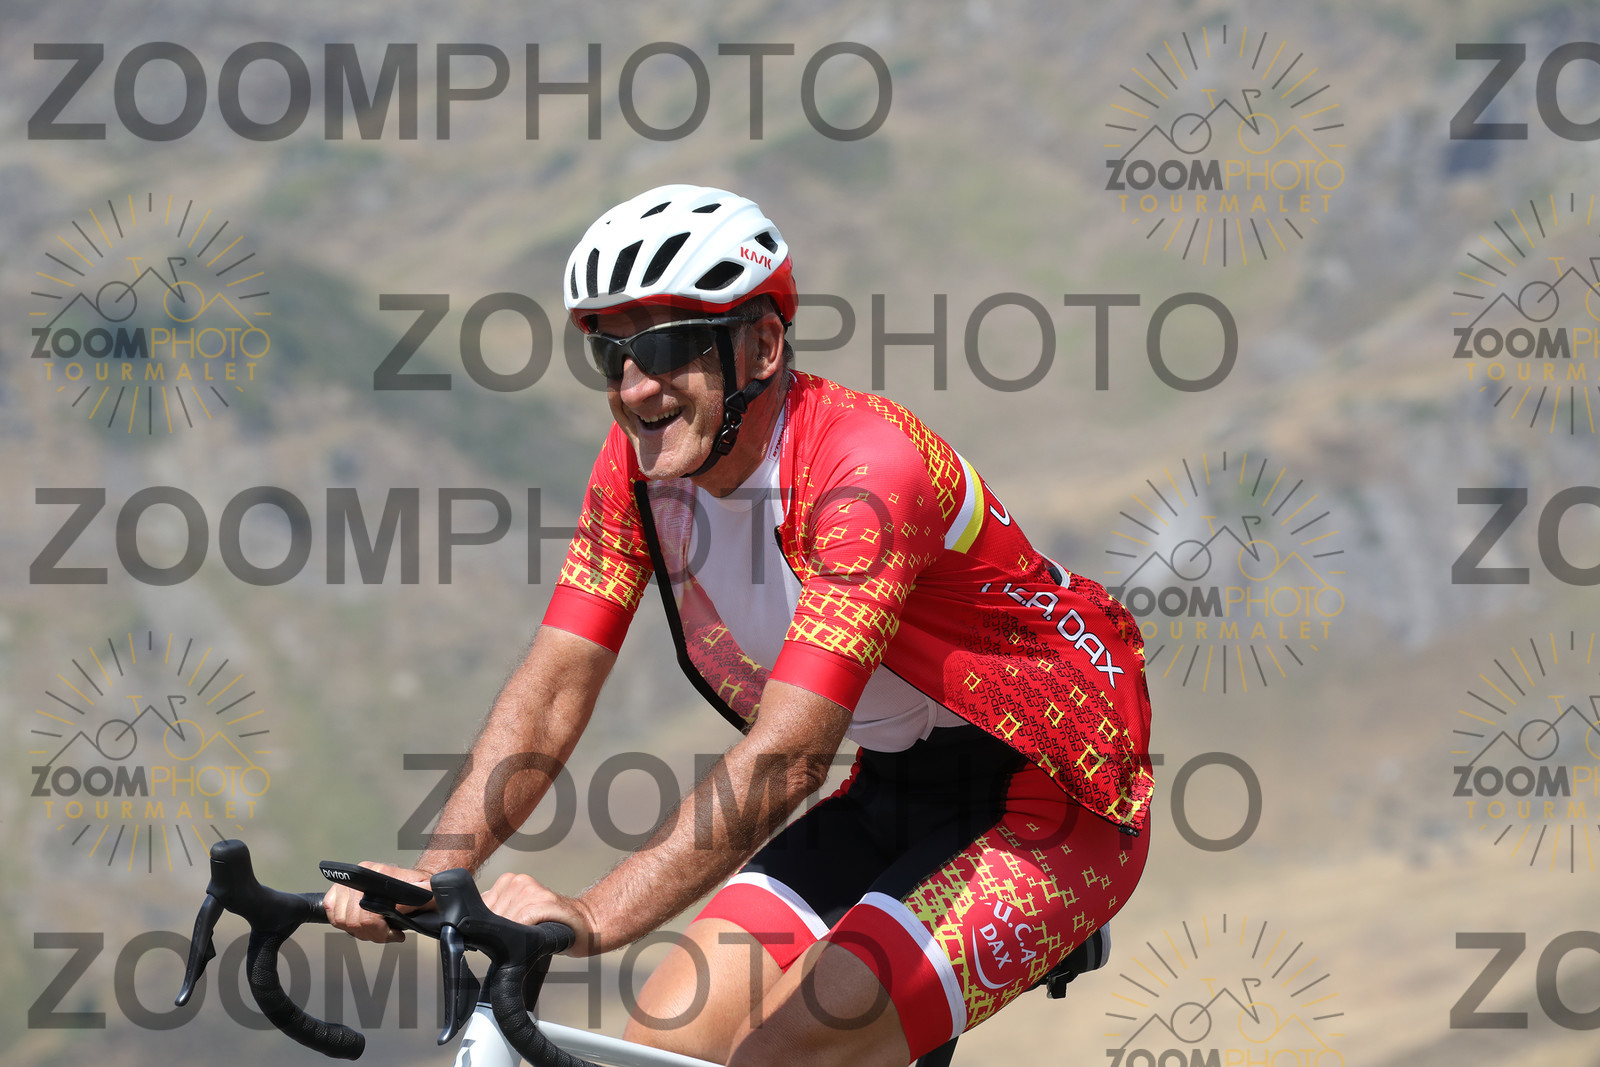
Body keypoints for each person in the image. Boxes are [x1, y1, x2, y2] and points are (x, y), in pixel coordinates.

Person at [326, 184, 1155, 1066]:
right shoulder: (640, 467)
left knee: (786, 1050)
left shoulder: (865, 472)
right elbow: (558, 681)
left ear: (761, 346)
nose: (635, 387)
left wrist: (593, 914)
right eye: (611, 355)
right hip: (894, 783)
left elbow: (789, 756)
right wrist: (438, 867)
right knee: (665, 1040)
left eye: (667, 347)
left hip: (1056, 794)